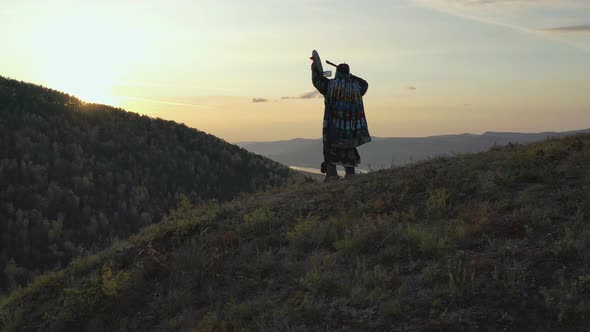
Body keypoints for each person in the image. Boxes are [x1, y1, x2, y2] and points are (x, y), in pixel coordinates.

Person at [310, 58, 371, 182]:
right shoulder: (357, 87)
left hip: (333, 125)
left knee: (329, 147)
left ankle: (332, 174)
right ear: (348, 73)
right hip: (351, 126)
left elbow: (317, 81)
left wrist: (314, 67)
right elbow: (365, 83)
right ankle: (350, 174)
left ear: (337, 72)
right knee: (349, 147)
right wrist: (351, 76)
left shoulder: (330, 85)